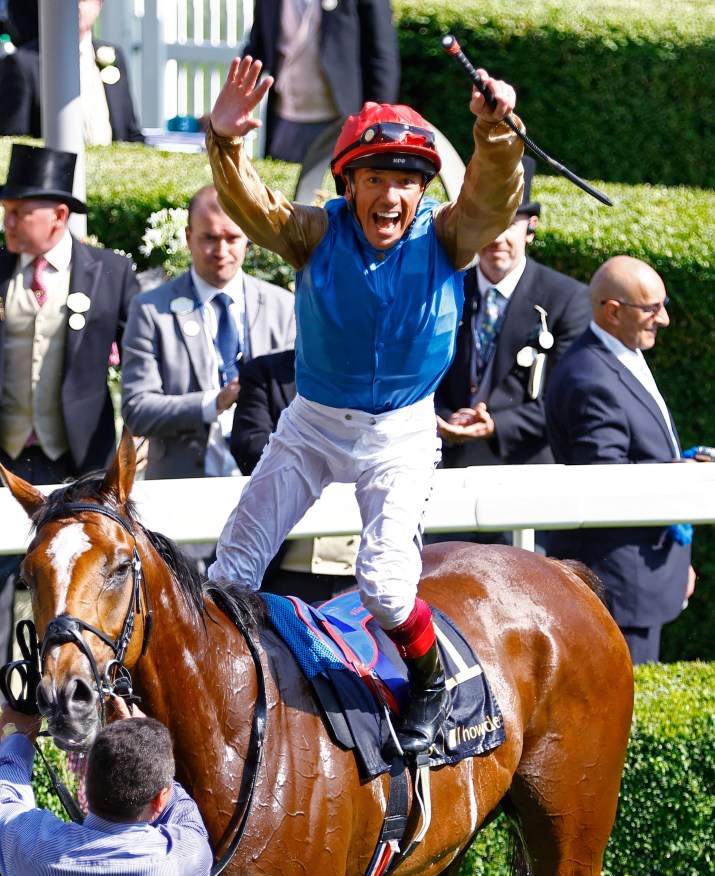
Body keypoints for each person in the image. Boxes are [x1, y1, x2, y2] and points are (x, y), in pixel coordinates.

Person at [204, 55, 524, 754]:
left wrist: (494, 132)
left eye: (405, 181)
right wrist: (224, 140)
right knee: (228, 573)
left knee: (383, 584)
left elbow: (492, 201)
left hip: (400, 436)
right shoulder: (314, 232)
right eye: (374, 179)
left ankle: (430, 680)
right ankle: (224, 689)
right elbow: (253, 206)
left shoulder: (448, 235)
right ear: (347, 184)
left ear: (422, 191)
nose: (390, 195)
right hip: (312, 426)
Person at [0, 143, 140, 664]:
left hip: (79, 457)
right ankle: (7, 714)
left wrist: (137, 434)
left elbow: (139, 359)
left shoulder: (109, 271)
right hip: (6, 460)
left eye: (19, 212)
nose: (8, 222)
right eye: (6, 211)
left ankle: (77, 693)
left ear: (58, 216)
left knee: (77, 584)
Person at [432, 155, 591, 547]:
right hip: (443, 480)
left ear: (530, 228)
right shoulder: (444, 289)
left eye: (510, 224)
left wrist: (495, 425)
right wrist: (436, 417)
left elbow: (563, 402)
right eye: (487, 224)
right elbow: (412, 377)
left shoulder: (568, 299)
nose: (497, 237)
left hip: (523, 482)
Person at [545, 255, 695, 665]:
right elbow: (605, 480)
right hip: (620, 589)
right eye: (652, 309)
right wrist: (680, 475)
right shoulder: (590, 375)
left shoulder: (617, 352)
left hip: (643, 577)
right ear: (613, 312)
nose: (663, 319)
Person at [0, 696, 212, 876]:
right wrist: (145, 751)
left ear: (86, 784)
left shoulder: (31, 850)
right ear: (160, 798)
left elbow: (6, 796)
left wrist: (16, 734)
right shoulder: (187, 858)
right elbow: (181, 810)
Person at [121, 185, 296, 482]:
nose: (221, 251)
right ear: (189, 238)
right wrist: (213, 403)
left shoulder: (282, 306)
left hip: (269, 481)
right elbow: (137, 409)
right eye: (209, 238)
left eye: (232, 238)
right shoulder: (151, 310)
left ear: (248, 239)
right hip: (184, 485)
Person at [231, 348, 358, 601]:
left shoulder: (389, 375)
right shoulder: (264, 372)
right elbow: (249, 447)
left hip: (366, 572)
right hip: (288, 571)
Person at [244, 0, 399, 163]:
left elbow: (381, 56)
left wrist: (377, 121)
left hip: (342, 120)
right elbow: (256, 48)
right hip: (284, 122)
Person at [0, 0, 143, 143]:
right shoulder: (23, 63)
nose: (77, 6)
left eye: (84, 0)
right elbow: (13, 138)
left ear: (98, 6)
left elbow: (131, 132)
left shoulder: (114, 56)